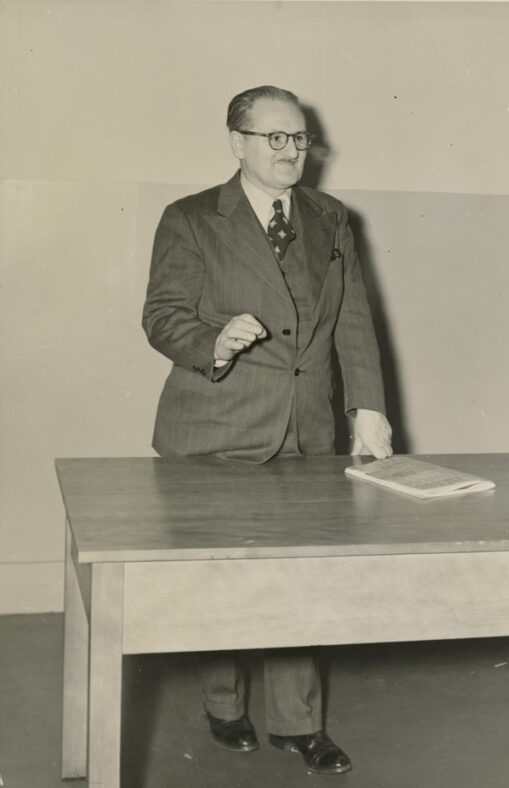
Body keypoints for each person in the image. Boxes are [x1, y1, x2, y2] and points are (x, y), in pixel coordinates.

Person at [142, 85, 392, 776]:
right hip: (214, 428)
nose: (290, 152)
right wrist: (215, 342)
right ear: (239, 142)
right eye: (275, 138)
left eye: (300, 139)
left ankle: (298, 723)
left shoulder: (330, 217)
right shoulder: (190, 218)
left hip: (307, 429)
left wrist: (367, 406)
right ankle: (224, 706)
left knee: (301, 580)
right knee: (221, 579)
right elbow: (162, 316)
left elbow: (353, 322)